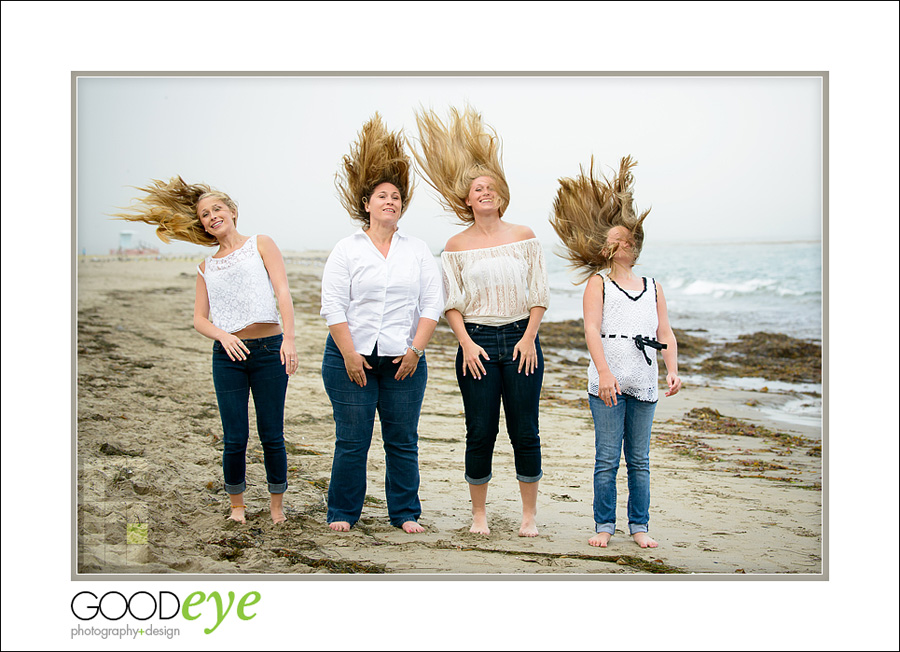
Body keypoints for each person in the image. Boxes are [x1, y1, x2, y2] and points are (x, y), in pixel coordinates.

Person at [116, 177, 297, 525]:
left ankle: (277, 508)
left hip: (269, 349)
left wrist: (289, 339)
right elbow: (199, 319)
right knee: (235, 436)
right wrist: (223, 336)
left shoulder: (261, 243)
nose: (212, 216)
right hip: (228, 356)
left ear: (232, 211)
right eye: (204, 214)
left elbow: (283, 292)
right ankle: (238, 508)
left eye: (217, 209)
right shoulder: (206, 266)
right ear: (201, 224)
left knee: (271, 433)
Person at [411, 106, 550, 537]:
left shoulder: (524, 236)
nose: (484, 192)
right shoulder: (454, 245)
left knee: (525, 430)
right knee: (480, 431)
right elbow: (450, 302)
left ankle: (528, 517)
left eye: (490, 187)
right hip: (476, 345)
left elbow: (539, 294)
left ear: (500, 195)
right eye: (477, 188)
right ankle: (479, 517)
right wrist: (466, 343)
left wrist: (528, 338)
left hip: (521, 341)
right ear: (467, 200)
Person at [320, 114, 443, 534]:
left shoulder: (418, 250)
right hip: (348, 359)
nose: (390, 201)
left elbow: (433, 303)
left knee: (402, 441)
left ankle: (405, 513)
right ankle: (343, 512)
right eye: (382, 196)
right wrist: (350, 355)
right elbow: (333, 306)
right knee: (352, 441)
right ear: (367, 204)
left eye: (396, 197)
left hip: (404, 360)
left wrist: (416, 351)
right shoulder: (347, 249)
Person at [551, 156, 681, 548]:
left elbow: (665, 332)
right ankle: (604, 525)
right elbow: (591, 330)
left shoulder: (653, 285)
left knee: (639, 461)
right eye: (613, 239)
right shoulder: (598, 283)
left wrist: (672, 369)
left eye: (624, 238)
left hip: (644, 381)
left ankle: (638, 526)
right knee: (607, 459)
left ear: (633, 244)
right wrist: (604, 372)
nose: (619, 242)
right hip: (607, 381)